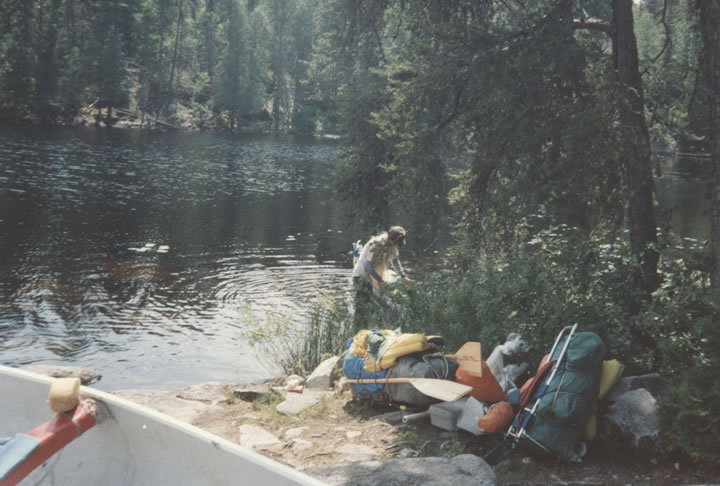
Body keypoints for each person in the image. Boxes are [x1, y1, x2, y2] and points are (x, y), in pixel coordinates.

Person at [352, 226, 409, 324]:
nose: (396, 244)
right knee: (362, 307)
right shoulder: (375, 244)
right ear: (391, 238)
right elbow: (367, 266)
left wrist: (403, 275)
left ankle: (370, 326)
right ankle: (358, 329)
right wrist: (379, 280)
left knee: (373, 304)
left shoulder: (392, 246)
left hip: (373, 277)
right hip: (361, 276)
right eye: (396, 242)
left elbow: (395, 260)